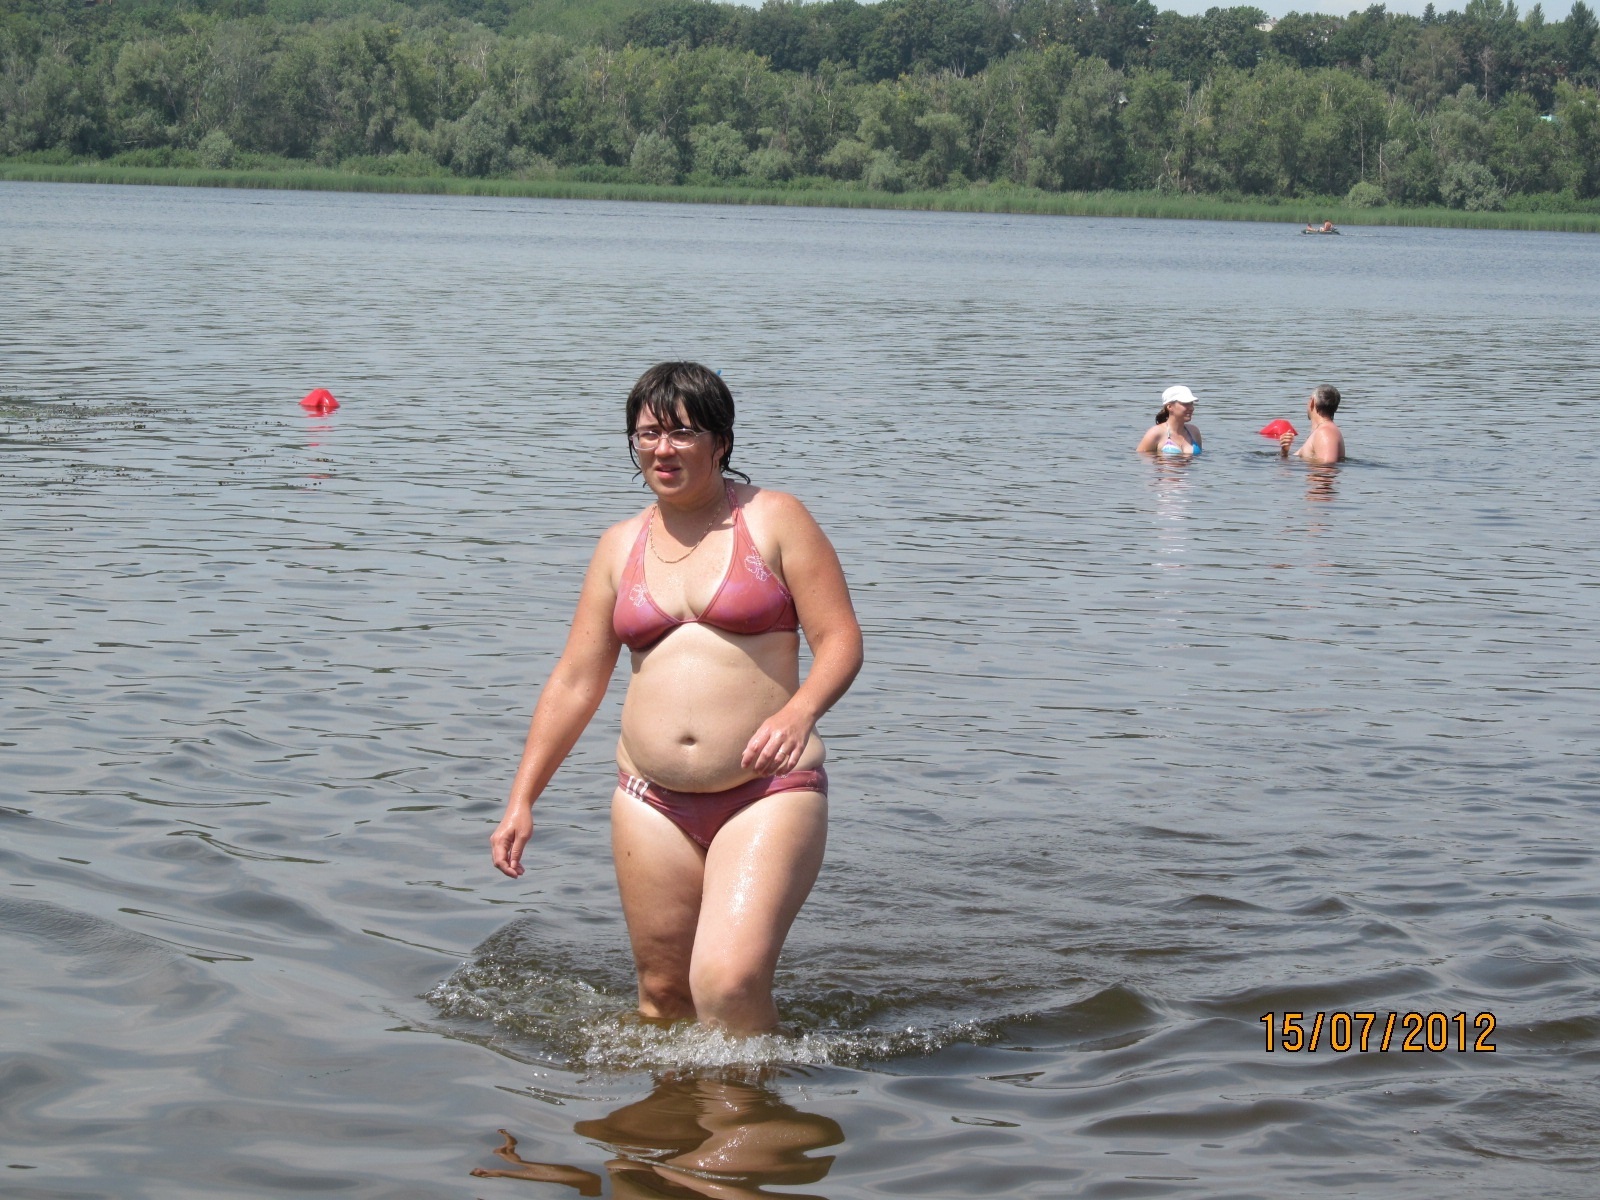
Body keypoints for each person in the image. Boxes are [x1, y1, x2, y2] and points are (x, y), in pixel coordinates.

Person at [490, 362, 863, 1037]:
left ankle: (754, 1099)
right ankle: (678, 1105)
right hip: (649, 799)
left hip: (766, 792)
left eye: (683, 432)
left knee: (727, 982)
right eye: (648, 434)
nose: (663, 449)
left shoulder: (774, 519)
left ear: (721, 441)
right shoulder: (619, 546)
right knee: (664, 995)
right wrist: (522, 799)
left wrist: (798, 711)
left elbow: (840, 641)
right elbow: (576, 680)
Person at [1279, 384, 1346, 464]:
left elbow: (1328, 466)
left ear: (1312, 401)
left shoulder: (1325, 432)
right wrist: (1284, 451)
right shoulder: (1320, 432)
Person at [1136, 385, 1203, 456]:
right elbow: (1141, 458)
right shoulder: (1156, 433)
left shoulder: (1194, 431)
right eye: (1185, 404)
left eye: (1191, 403)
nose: (1191, 408)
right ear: (1170, 407)